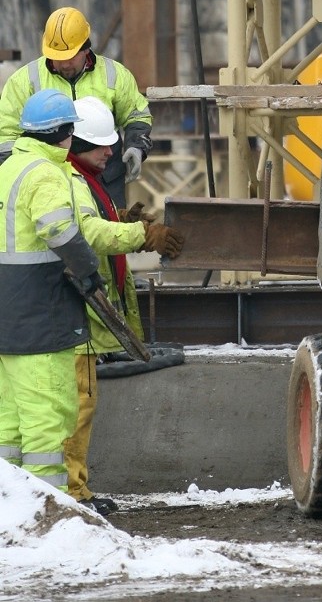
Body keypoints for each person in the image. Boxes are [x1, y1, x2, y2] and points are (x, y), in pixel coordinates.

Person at [65, 96, 184, 516]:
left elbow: (95, 220)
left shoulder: (86, 176)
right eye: (102, 145)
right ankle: (74, 495)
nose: (111, 152)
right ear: (77, 143)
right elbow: (88, 232)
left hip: (78, 319)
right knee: (77, 407)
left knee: (78, 405)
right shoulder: (71, 179)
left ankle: (70, 490)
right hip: (75, 320)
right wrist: (139, 236)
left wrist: (124, 219)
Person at [0, 90, 101, 495]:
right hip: (40, 318)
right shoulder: (44, 173)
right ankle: (50, 510)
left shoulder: (7, 169)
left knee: (8, 422)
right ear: (65, 133)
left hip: (7, 320)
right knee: (49, 417)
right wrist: (89, 270)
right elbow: (59, 230)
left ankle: (9, 509)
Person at [0, 6, 153, 206]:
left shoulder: (115, 75)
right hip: (48, 179)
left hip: (105, 177)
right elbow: (6, 133)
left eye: (70, 57)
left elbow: (137, 116)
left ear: (86, 48)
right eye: (57, 57)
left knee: (111, 233)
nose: (63, 64)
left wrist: (136, 147)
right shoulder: (23, 81)